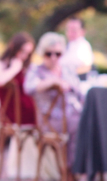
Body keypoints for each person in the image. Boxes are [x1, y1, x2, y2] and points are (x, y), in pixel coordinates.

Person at [24, 32, 82, 167]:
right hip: (50, 120)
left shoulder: (67, 70)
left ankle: (87, 169)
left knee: (96, 122)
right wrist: (53, 81)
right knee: (81, 125)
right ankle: (72, 170)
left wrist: (68, 86)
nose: (54, 57)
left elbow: (79, 91)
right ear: (42, 53)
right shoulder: (37, 70)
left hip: (72, 114)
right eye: (49, 54)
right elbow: (29, 88)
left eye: (58, 54)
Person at [0, 32, 36, 125]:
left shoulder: (27, 67)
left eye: (28, 53)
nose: (25, 56)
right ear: (14, 47)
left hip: (28, 108)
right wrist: (14, 68)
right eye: (22, 51)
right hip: (11, 112)